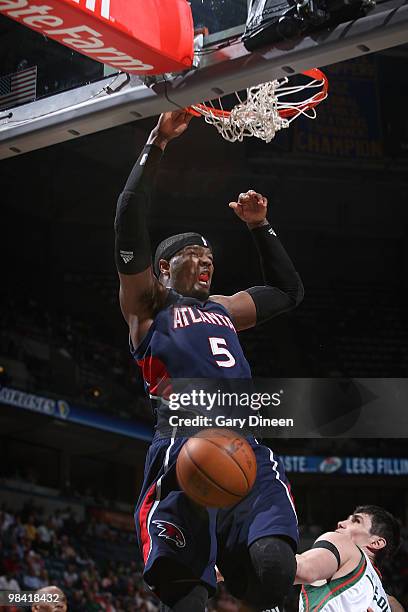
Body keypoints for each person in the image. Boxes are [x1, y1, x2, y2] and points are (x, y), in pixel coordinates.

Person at [114, 110, 304, 611]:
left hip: (247, 447)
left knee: (275, 570)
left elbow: (288, 291)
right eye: (192, 256)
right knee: (188, 596)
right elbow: (128, 220)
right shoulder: (149, 307)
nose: (205, 262)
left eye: (210, 258)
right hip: (184, 450)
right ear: (162, 268)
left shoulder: (223, 309)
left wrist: (260, 227)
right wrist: (156, 143)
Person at [295, 505, 402, 611]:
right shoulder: (390, 603)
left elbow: (301, 569)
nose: (340, 523)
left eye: (356, 521)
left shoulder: (344, 544)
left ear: (376, 542)